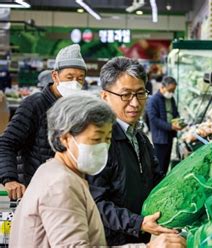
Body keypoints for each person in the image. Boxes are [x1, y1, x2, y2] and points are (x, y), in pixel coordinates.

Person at [10, 95, 186, 248]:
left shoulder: (55, 171)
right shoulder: (61, 184)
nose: (103, 147)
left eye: (107, 139)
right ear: (64, 138)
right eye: (96, 139)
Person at [87, 57, 177, 246]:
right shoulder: (100, 140)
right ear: (105, 96)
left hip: (139, 239)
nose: (135, 103)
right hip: (111, 241)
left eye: (140, 93)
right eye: (126, 95)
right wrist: (138, 223)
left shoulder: (141, 137)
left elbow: (156, 181)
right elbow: (95, 203)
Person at [0, 44, 87, 200]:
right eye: (69, 77)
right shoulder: (34, 104)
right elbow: (6, 143)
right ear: (55, 76)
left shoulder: (78, 106)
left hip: (66, 190)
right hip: (35, 190)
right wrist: (10, 179)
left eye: (80, 78)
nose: (75, 82)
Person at [146, 76, 182, 175]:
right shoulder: (153, 100)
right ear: (162, 87)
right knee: (160, 164)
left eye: (173, 90)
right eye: (170, 90)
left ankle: (164, 177)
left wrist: (179, 121)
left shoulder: (171, 99)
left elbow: (175, 112)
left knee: (166, 162)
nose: (171, 93)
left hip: (169, 135)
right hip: (160, 138)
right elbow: (153, 119)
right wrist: (170, 126)